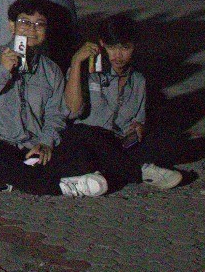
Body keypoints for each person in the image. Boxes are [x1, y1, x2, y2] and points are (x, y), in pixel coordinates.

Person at [0, 0, 107, 198]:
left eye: (40, 24)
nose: (32, 29)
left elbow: (56, 114)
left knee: (81, 149)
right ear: (12, 26)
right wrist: (2, 71)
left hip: (35, 145)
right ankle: (62, 186)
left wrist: (46, 142)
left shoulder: (51, 70)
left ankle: (10, 179)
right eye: (25, 22)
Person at [63, 17, 183, 192]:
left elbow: (138, 121)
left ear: (134, 47)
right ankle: (139, 170)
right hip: (88, 139)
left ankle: (114, 170)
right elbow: (72, 111)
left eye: (125, 48)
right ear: (102, 45)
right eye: (112, 48)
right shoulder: (87, 72)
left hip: (118, 143)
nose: (118, 55)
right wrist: (75, 63)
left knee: (168, 138)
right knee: (85, 136)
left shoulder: (138, 81)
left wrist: (138, 128)